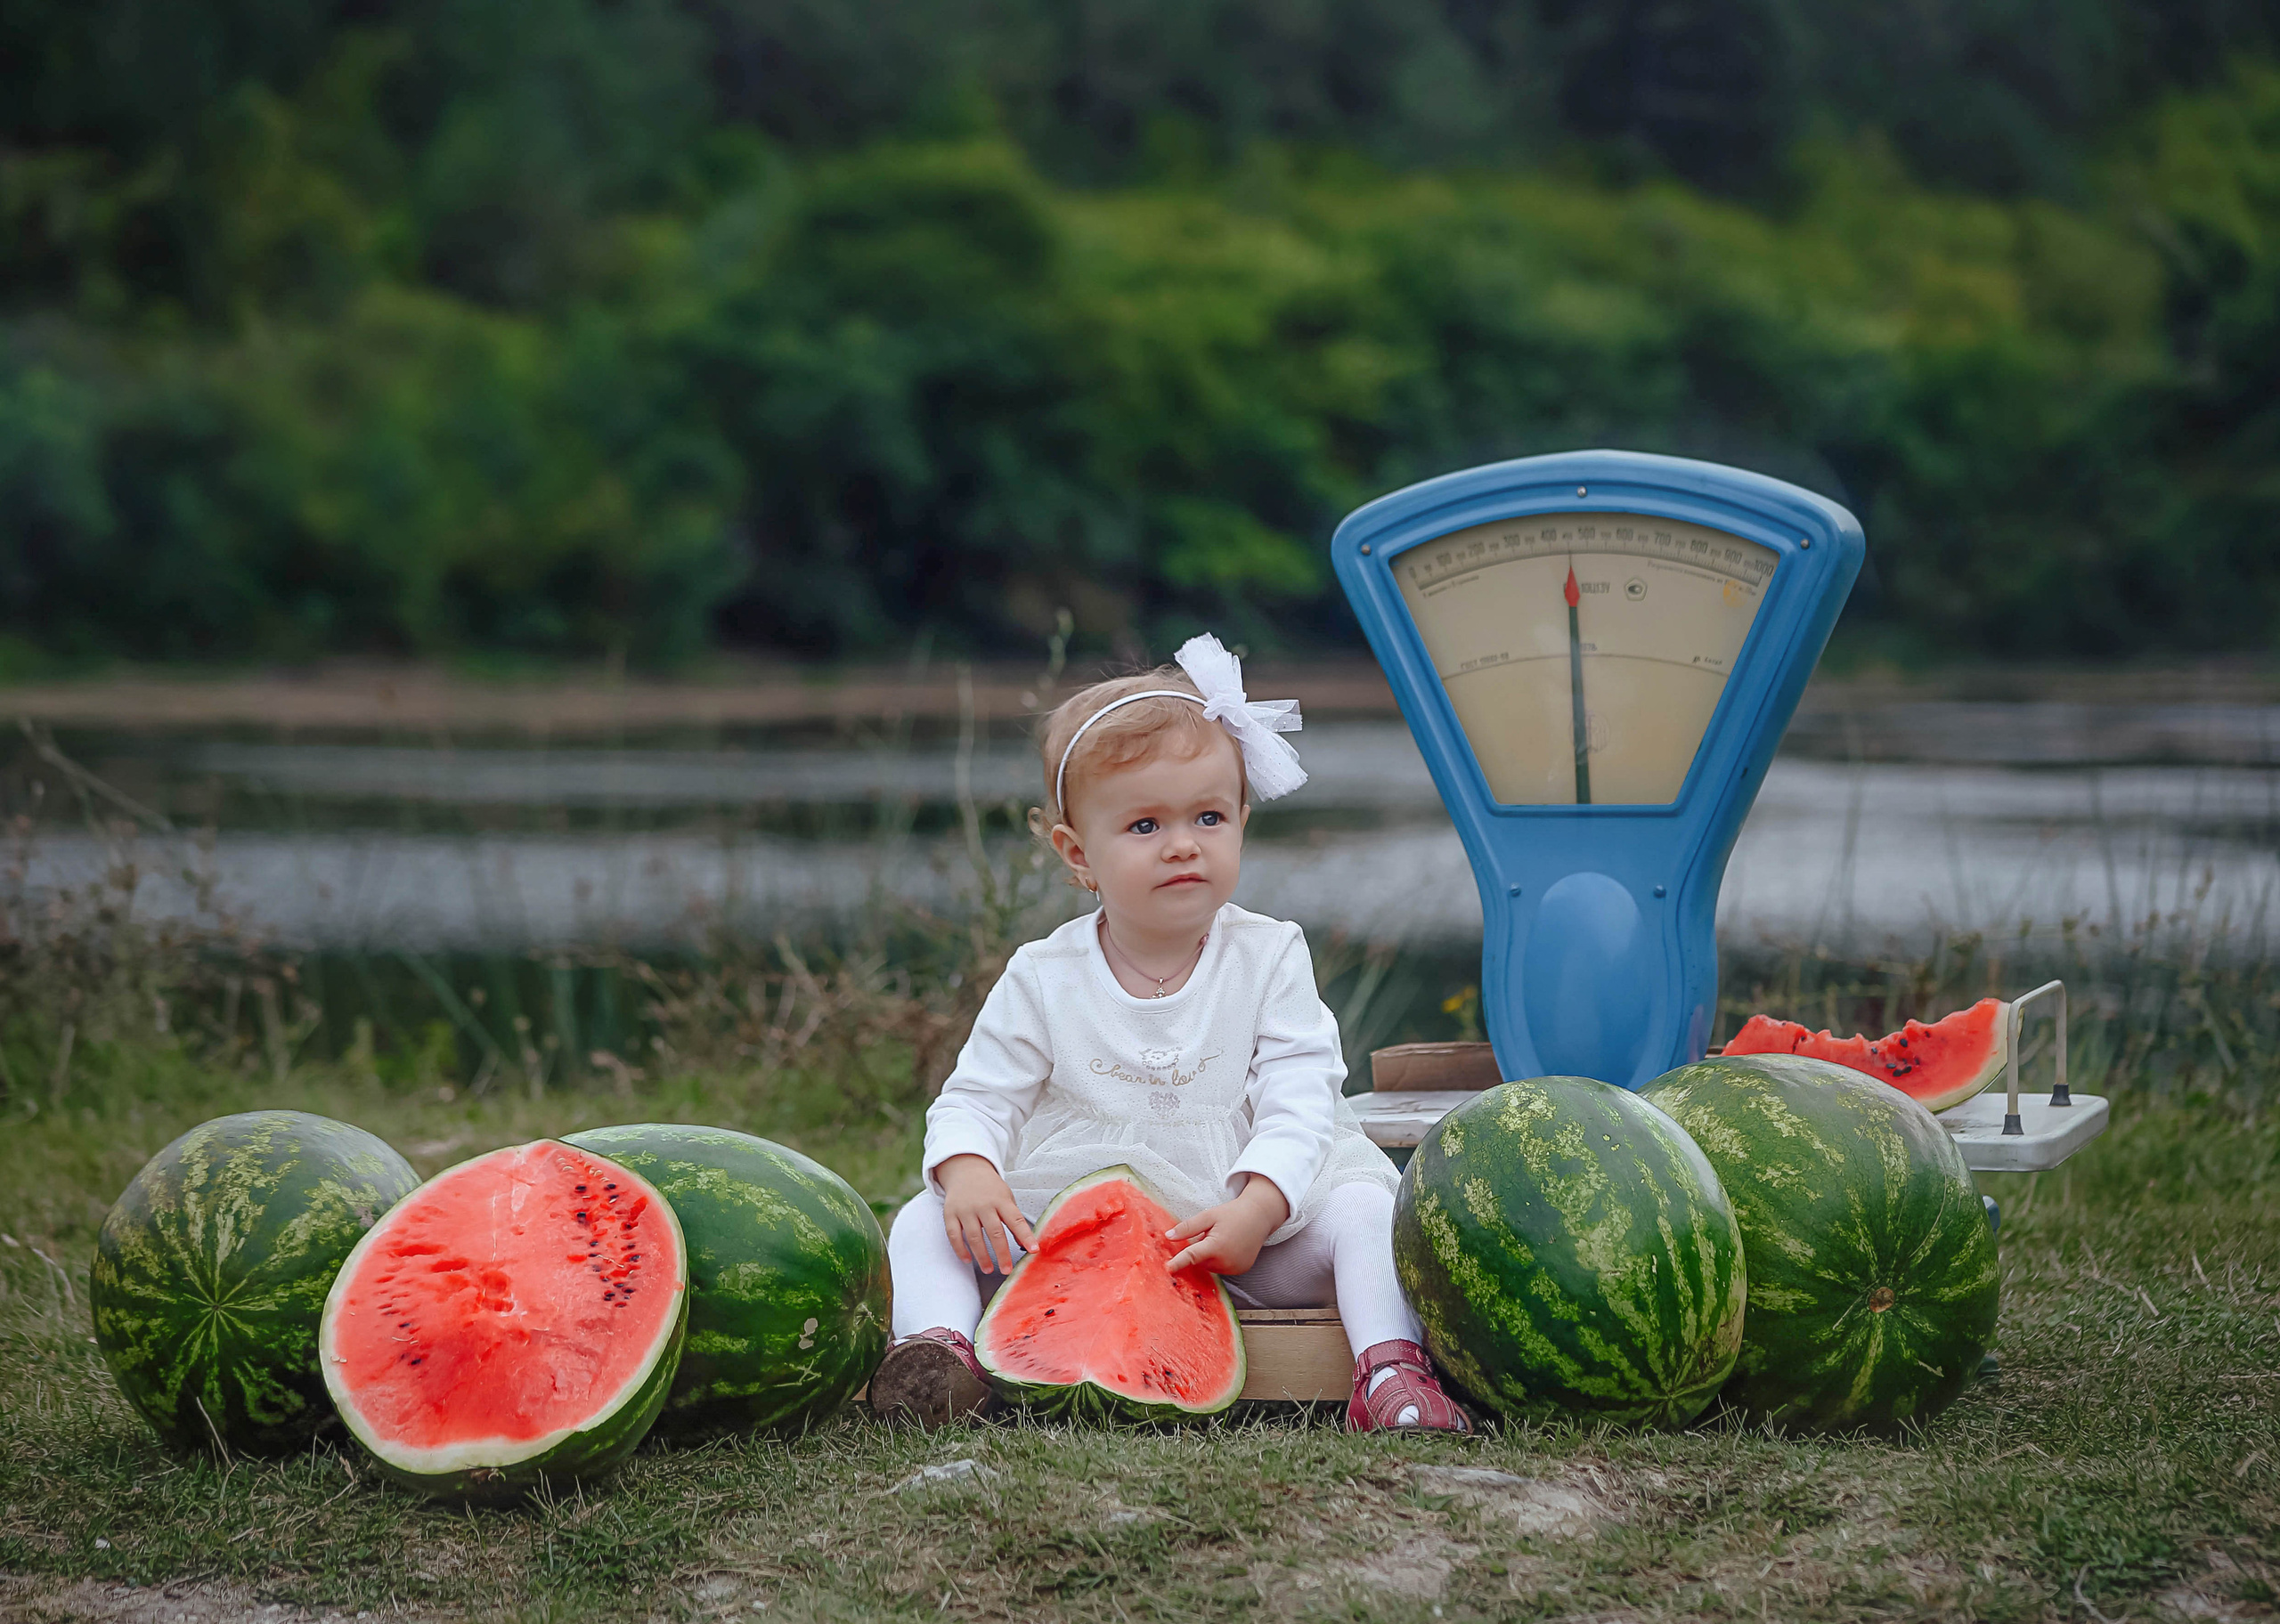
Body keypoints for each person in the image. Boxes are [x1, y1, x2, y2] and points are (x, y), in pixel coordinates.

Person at [867, 635, 1469, 1433]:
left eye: (1209, 816)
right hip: (1081, 1234)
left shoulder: (1269, 954)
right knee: (924, 1216)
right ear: (1077, 854)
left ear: (1243, 821)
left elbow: (1301, 1097)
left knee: (1364, 1209)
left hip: (1247, 1229)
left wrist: (1259, 1207)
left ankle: (1389, 1367)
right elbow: (978, 1095)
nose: (1184, 842)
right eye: (1145, 825)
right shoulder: (1045, 974)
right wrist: (971, 1169)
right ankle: (939, 1357)